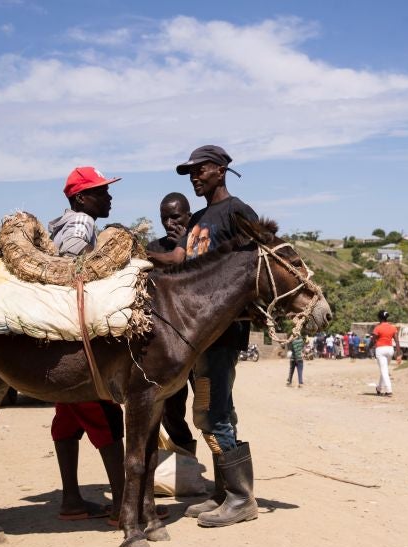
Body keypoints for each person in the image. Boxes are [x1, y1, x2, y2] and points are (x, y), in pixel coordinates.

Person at [147, 145, 259, 527]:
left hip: (223, 332)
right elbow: (179, 260)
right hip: (198, 333)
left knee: (214, 412)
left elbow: (254, 266)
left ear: (221, 170)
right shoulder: (198, 217)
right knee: (212, 412)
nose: (194, 177)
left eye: (200, 170)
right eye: (189, 172)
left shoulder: (237, 211)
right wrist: (137, 254)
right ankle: (223, 493)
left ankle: (241, 498)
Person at [47, 166, 126, 523]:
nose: (108, 197)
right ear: (81, 198)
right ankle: (124, 504)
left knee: (66, 423)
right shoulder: (82, 223)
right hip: (79, 342)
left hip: (60, 343)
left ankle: (71, 500)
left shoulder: (66, 222)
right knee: (106, 417)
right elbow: (71, 268)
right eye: (101, 191)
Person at [146, 192, 197, 455]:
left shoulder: (201, 249)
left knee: (211, 410)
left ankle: (224, 482)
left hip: (201, 345)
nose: (169, 223)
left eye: (175, 217)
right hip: (170, 348)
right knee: (171, 409)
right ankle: (186, 465)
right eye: (164, 218)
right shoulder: (154, 248)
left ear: (189, 216)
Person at [370, 310, 402, 397]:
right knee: (384, 369)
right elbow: (397, 341)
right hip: (390, 350)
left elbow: (373, 340)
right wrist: (398, 354)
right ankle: (379, 388)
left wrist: (369, 347)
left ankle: (389, 390)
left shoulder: (378, 328)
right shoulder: (393, 327)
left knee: (384, 370)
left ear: (379, 318)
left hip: (380, 349)